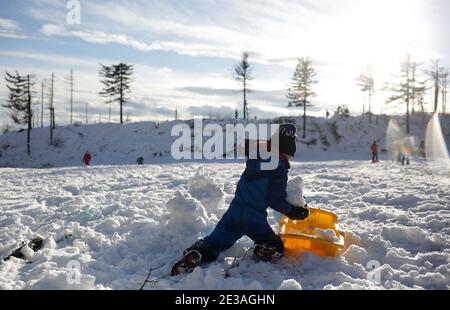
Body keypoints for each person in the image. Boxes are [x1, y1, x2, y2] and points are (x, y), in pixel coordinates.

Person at [171, 123, 310, 276]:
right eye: (290, 155)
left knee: (213, 242)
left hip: (234, 213)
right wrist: (294, 212)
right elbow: (275, 200)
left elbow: (248, 143)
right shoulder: (279, 169)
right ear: (287, 150)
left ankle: (196, 254)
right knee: (276, 243)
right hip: (254, 218)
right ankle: (264, 249)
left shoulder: (256, 155)